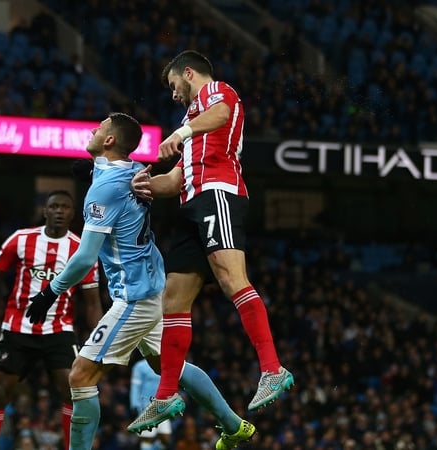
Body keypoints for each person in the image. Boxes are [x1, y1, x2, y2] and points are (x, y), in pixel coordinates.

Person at [25, 112, 255, 450]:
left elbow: (86, 257)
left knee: (80, 375)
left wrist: (51, 291)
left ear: (109, 141)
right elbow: (123, 181)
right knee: (168, 365)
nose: (93, 129)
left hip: (134, 297)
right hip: (153, 285)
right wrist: (93, 171)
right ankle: (234, 425)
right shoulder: (135, 171)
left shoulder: (102, 192)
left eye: (100, 127)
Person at [127, 50, 294, 432]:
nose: (173, 95)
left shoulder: (218, 93)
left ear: (189, 73)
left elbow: (220, 115)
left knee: (230, 276)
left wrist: (181, 132)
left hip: (218, 192)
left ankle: (272, 368)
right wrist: (139, 186)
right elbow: (174, 180)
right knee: (174, 297)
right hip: (190, 202)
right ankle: (166, 393)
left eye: (174, 85)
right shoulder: (191, 121)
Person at [0, 190, 103, 450]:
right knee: (0, 393)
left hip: (59, 330)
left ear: (72, 213)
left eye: (64, 207)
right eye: (54, 206)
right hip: (17, 328)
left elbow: (92, 301)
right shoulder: (21, 239)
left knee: (74, 390)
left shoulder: (81, 249)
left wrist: (101, 339)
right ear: (45, 211)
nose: (59, 211)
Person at [130, 359, 171, 450]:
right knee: (147, 438)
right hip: (146, 406)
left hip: (163, 406)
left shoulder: (165, 365)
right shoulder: (140, 366)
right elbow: (135, 387)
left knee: (166, 438)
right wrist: (135, 405)